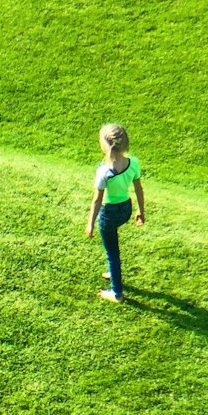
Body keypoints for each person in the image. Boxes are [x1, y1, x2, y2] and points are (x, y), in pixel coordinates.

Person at [85, 123, 144, 302]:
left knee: (112, 253)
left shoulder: (104, 171)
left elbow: (97, 200)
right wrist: (141, 211)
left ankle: (116, 293)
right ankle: (113, 272)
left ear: (105, 145)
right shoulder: (133, 163)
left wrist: (90, 223)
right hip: (125, 209)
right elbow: (139, 189)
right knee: (113, 246)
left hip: (109, 214)